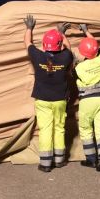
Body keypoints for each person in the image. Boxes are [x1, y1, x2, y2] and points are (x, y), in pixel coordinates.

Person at [23, 15, 75, 172]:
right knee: (59, 128)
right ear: (59, 44)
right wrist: (62, 33)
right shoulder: (66, 56)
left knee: (45, 129)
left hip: (43, 99)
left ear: (44, 44)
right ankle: (59, 160)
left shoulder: (37, 55)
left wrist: (29, 28)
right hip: (60, 99)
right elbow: (69, 48)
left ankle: (45, 163)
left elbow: (27, 43)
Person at [74, 24, 100, 172]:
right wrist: (85, 31)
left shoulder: (79, 68)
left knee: (86, 129)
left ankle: (91, 160)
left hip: (87, 102)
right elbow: (95, 44)